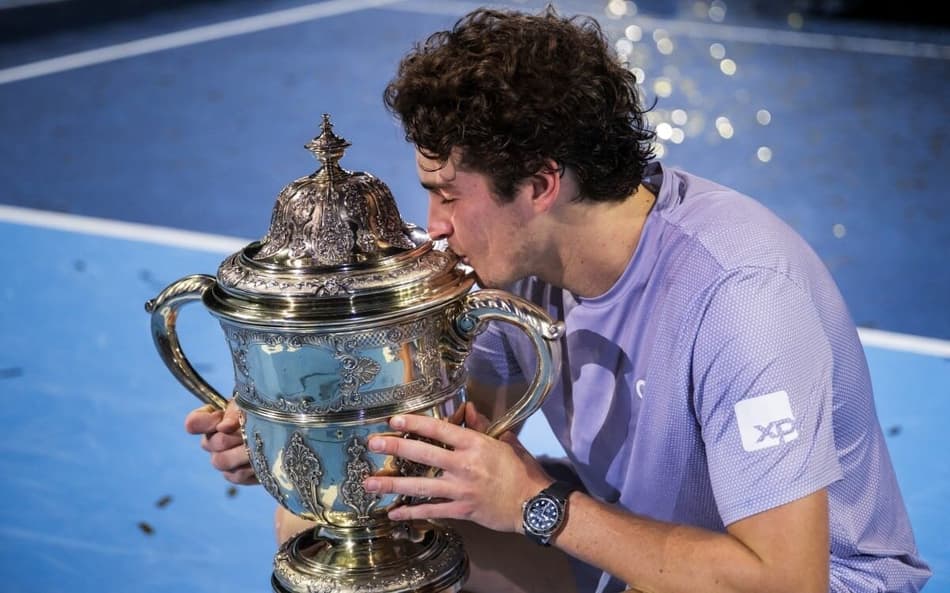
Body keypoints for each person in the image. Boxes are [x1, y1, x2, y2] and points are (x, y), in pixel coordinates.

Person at [185, 6, 932, 593]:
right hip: (639, 538)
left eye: (449, 196)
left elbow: (784, 580)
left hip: (802, 577)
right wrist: (302, 430)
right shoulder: (517, 265)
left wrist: (537, 504)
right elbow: (446, 420)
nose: (436, 228)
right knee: (327, 533)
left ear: (541, 184)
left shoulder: (742, 302)